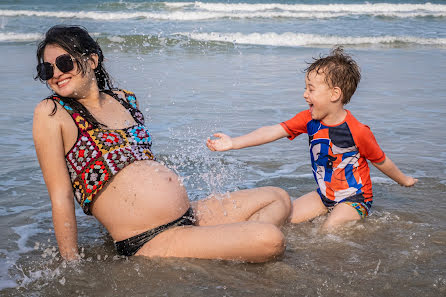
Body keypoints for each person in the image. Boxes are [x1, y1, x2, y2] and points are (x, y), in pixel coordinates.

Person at [33, 25, 291, 263]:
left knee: (278, 198)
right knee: (269, 239)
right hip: (149, 237)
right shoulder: (53, 112)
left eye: (64, 63)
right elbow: (61, 196)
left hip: (187, 217)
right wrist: (71, 262)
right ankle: (232, 245)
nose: (56, 74)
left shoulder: (124, 99)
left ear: (91, 60)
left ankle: (222, 246)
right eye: (47, 70)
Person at [207, 46, 417, 231]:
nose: (304, 94)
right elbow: (272, 131)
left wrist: (404, 180)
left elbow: (381, 160)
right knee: (285, 219)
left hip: (355, 199)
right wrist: (234, 143)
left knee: (329, 230)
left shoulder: (358, 131)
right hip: (324, 195)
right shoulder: (309, 119)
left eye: (311, 89)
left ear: (334, 94)